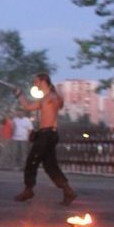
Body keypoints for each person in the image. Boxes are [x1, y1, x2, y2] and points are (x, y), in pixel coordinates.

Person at [12, 73, 76, 205]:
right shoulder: (52, 97)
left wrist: (20, 95)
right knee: (50, 165)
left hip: (46, 135)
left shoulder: (49, 98)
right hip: (50, 134)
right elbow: (30, 107)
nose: (34, 84)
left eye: (36, 81)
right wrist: (20, 95)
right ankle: (68, 191)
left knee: (32, 161)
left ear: (43, 81)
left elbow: (29, 107)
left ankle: (28, 190)